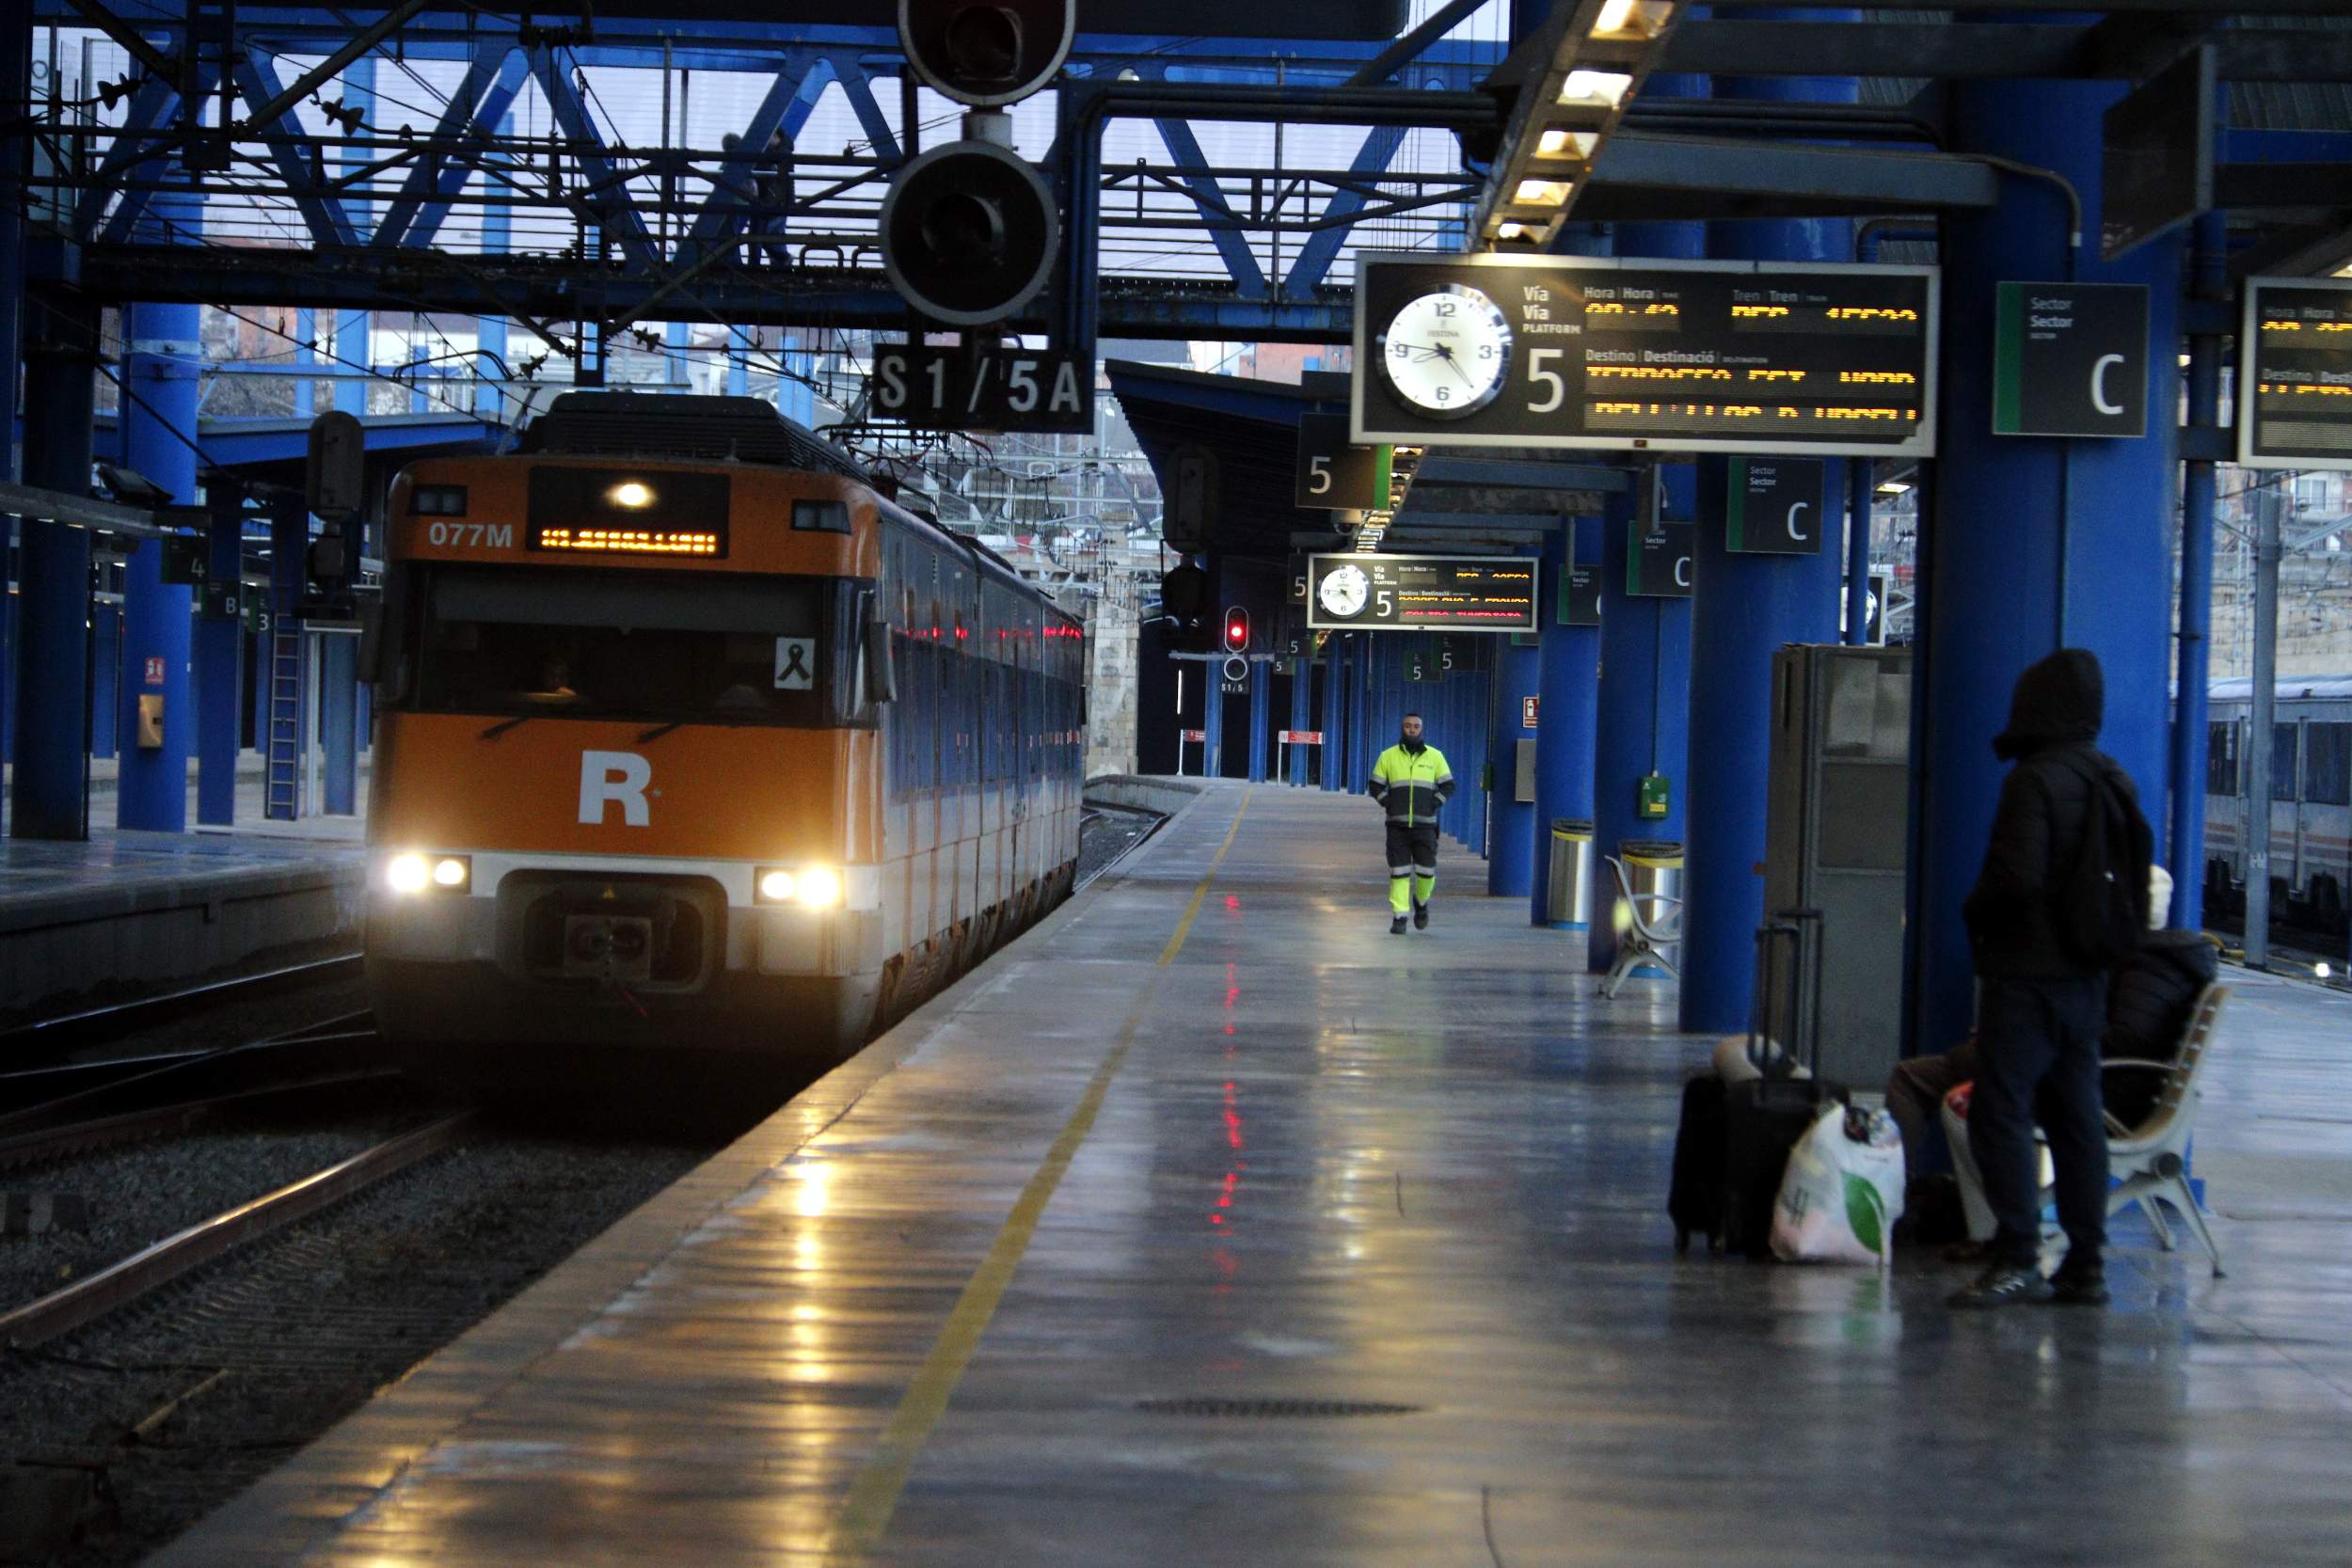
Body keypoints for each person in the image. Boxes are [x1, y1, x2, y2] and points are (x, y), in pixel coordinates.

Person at [1948, 648, 2152, 1309]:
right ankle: (2085, 1264)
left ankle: (2017, 1253)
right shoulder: (2113, 778)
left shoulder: (2032, 781)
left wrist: (1974, 912)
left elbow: (2015, 877)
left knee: (1998, 1110)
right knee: (2076, 1119)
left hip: (2028, 974)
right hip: (2088, 978)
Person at [1367, 712, 1454, 935]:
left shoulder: (1435, 757)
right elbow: (1375, 786)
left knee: (1427, 872)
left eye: (1415, 726)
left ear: (1421, 729)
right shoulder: (1388, 756)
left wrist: (1435, 803)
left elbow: (1448, 786)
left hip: (1426, 827)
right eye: (1407, 726)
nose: (1412, 730)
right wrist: (1388, 803)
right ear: (1402, 728)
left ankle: (1421, 903)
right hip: (1397, 827)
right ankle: (1400, 917)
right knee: (1399, 872)